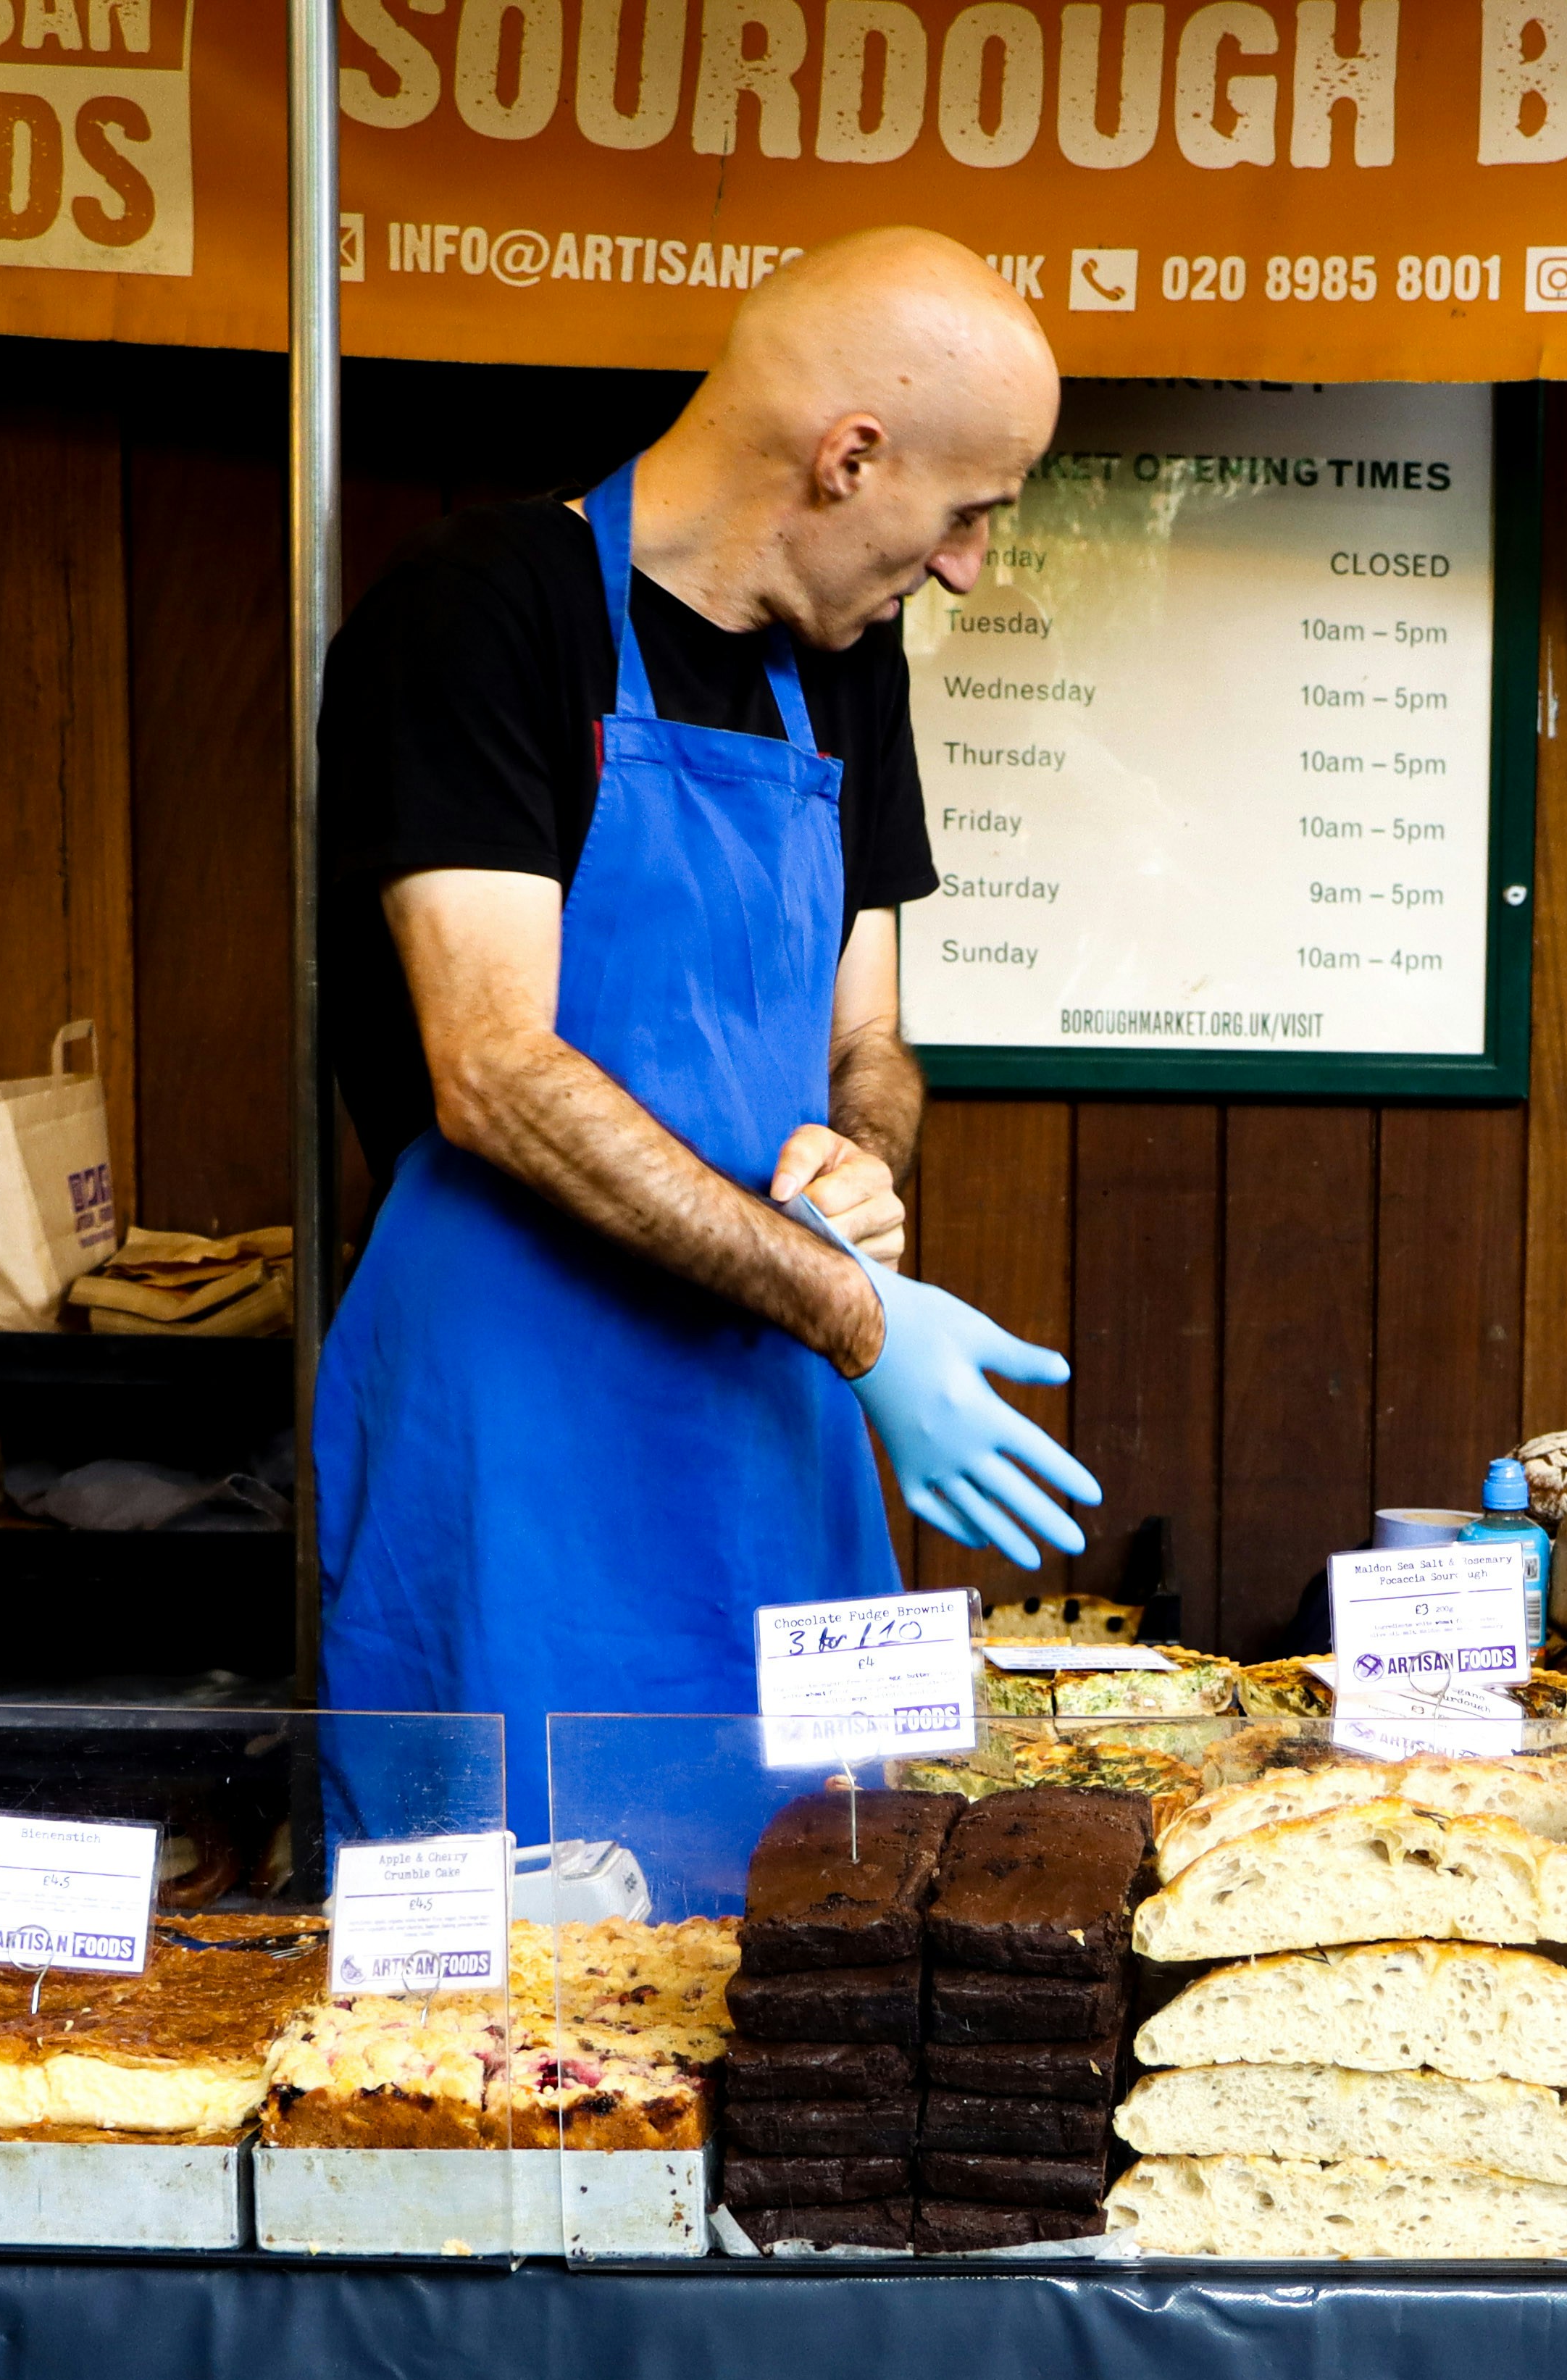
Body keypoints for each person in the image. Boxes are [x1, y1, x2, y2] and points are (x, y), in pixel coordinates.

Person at [314, 230, 1102, 1837]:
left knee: (823, 1914)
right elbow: (494, 1074)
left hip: (779, 1413)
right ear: (849, 456)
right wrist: (861, 1313)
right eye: (969, 514)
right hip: (520, 1421)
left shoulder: (849, 665)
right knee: (508, 1990)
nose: (966, 568)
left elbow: (871, 1034)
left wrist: (864, 1160)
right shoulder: (481, 614)